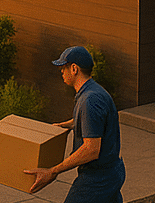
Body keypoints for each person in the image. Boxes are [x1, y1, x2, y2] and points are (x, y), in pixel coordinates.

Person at [25, 45, 125, 202]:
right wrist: (68, 125)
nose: (61, 72)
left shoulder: (89, 100)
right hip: (111, 172)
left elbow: (91, 150)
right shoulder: (94, 91)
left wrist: (53, 171)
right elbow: (95, 120)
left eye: (63, 67)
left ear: (74, 69)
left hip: (97, 179)